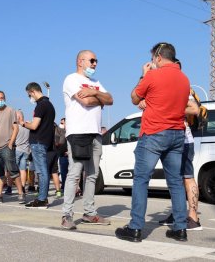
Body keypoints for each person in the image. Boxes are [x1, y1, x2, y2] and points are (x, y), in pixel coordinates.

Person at [115, 42, 190, 242]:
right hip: (176, 133)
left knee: (141, 180)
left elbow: (134, 98)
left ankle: (136, 228)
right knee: (175, 181)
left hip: (154, 133)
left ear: (157, 57)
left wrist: (144, 74)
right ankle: (180, 228)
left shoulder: (153, 75)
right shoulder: (184, 79)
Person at [61, 50, 113, 229]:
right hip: (78, 132)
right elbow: (86, 102)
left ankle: (89, 213)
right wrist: (100, 98)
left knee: (92, 175)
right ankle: (66, 214)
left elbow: (111, 99)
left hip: (95, 133)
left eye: (96, 60)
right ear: (80, 61)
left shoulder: (95, 82)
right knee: (75, 174)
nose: (95, 64)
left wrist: (92, 91)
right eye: (92, 60)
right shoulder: (71, 79)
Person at [157, 61, 203, 231]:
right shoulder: (169, 86)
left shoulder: (184, 87)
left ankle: (193, 217)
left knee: (187, 177)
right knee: (174, 180)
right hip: (171, 139)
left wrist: (171, 107)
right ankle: (178, 212)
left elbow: (194, 110)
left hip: (183, 139)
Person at [20, 82, 56, 209]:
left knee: (41, 171)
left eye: (29, 95)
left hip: (38, 142)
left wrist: (23, 123)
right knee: (43, 170)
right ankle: (42, 197)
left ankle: (42, 199)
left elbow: (34, 125)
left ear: (33, 91)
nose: (30, 97)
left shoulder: (41, 105)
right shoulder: (50, 105)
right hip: (45, 141)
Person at [0, 91, 25, 204]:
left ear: (5, 98)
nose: (0, 100)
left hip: (6, 146)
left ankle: (21, 193)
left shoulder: (11, 111)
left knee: (13, 171)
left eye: (1, 97)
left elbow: (15, 128)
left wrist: (10, 143)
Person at [15, 110, 30, 191]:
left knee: (13, 170)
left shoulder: (16, 126)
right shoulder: (27, 126)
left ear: (19, 117)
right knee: (23, 169)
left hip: (17, 149)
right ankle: (23, 186)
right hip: (26, 150)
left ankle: (12, 187)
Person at [57, 118, 68, 193]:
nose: (61, 125)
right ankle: (64, 186)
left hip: (69, 155)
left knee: (69, 173)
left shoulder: (70, 133)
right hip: (62, 155)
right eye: (61, 123)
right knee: (63, 173)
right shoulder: (60, 133)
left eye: (63, 123)